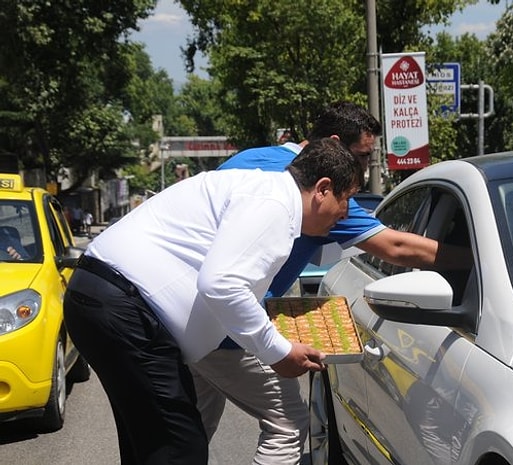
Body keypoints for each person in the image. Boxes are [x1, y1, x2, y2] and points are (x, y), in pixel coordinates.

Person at [190, 101, 472, 464]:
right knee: (288, 423)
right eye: (364, 156)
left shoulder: (249, 159)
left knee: (190, 429)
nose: (367, 168)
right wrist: (476, 259)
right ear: (336, 144)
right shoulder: (325, 194)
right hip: (234, 327)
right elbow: (397, 246)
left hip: (190, 318)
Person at [62, 138, 364, 465]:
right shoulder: (275, 205)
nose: (345, 213)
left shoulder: (265, 192)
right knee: (181, 448)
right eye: (347, 199)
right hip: (124, 309)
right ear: (322, 188)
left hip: (108, 302)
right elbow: (222, 284)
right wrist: (278, 352)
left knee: (155, 446)